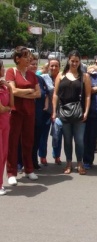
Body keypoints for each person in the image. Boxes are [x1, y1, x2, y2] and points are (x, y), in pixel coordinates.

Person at [52, 50, 91, 175]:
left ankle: (80, 163)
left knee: (79, 140)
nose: (74, 63)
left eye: (77, 61)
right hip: (64, 113)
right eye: (72, 61)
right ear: (68, 60)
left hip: (79, 113)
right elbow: (55, 94)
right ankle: (69, 163)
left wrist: (86, 112)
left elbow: (88, 96)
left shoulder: (84, 77)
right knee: (67, 140)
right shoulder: (60, 75)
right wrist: (54, 111)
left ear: (80, 62)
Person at [5, 46, 41, 186]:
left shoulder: (32, 74)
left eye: (29, 57)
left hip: (29, 112)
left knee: (28, 141)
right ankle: (11, 172)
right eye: (25, 56)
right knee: (13, 142)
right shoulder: (11, 71)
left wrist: (24, 92)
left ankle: (29, 169)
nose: (28, 59)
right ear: (17, 58)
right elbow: (12, 91)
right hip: (15, 112)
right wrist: (29, 91)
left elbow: (38, 93)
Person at [40, 58, 63, 166]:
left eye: (56, 66)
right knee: (43, 136)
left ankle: (57, 156)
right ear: (48, 67)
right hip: (46, 111)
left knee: (57, 135)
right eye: (51, 66)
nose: (54, 68)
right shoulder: (43, 78)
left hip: (59, 112)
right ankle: (43, 156)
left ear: (59, 67)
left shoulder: (63, 78)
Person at [28, 54, 49, 170]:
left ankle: (33, 160)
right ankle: (22, 163)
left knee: (36, 140)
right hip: (27, 114)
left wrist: (46, 102)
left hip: (39, 114)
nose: (34, 66)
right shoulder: (25, 78)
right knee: (25, 141)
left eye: (36, 64)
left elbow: (45, 93)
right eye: (32, 64)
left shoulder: (40, 79)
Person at [0, 59, 14, 195]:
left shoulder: (4, 86)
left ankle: (0, 183)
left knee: (4, 154)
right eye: (2, 68)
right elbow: (1, 108)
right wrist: (6, 108)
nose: (4, 70)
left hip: (5, 123)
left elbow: (11, 104)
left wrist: (9, 87)